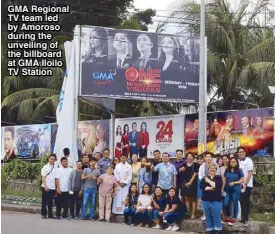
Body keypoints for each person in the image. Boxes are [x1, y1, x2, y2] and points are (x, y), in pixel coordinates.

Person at [200, 163, 223, 234]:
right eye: (210, 168)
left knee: (216, 215)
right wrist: (209, 187)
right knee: (208, 215)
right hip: (206, 199)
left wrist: (208, 181)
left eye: (214, 168)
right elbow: (201, 186)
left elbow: (217, 185)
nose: (212, 169)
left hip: (216, 200)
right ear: (208, 169)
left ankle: (217, 229)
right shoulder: (204, 177)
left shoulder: (218, 177)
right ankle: (209, 229)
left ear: (216, 170)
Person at [223, 157, 245, 226]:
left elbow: (243, 180)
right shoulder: (227, 170)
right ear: (229, 162)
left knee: (235, 203)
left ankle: (234, 218)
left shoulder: (239, 170)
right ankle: (229, 217)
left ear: (236, 162)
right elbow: (224, 180)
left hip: (236, 188)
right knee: (226, 203)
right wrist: (222, 188)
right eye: (231, 162)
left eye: (234, 162)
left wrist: (234, 183)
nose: (233, 163)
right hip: (228, 189)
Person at [179, 152, 199, 219]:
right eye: (188, 156)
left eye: (191, 156)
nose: (189, 157)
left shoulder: (196, 164)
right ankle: (188, 212)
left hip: (193, 183)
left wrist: (190, 182)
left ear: (193, 157)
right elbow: (180, 171)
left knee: (193, 199)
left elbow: (195, 174)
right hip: (185, 183)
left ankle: (193, 213)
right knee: (186, 198)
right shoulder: (184, 164)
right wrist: (181, 169)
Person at [238, 147, 254, 227]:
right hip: (240, 185)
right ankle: (243, 218)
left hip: (247, 185)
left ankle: (246, 219)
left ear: (245, 152)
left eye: (242, 151)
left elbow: (250, 173)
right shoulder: (238, 161)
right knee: (241, 202)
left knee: (245, 202)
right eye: (239, 152)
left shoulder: (249, 160)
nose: (241, 153)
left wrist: (245, 184)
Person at [41, 154, 59, 219]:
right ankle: (43, 214)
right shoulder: (45, 167)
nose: (52, 160)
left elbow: (56, 178)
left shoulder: (56, 167)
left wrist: (57, 187)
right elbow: (43, 177)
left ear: (55, 160)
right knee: (44, 202)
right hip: (45, 187)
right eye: (51, 159)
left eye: (53, 159)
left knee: (50, 202)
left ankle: (50, 214)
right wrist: (45, 186)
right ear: (48, 159)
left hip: (53, 187)